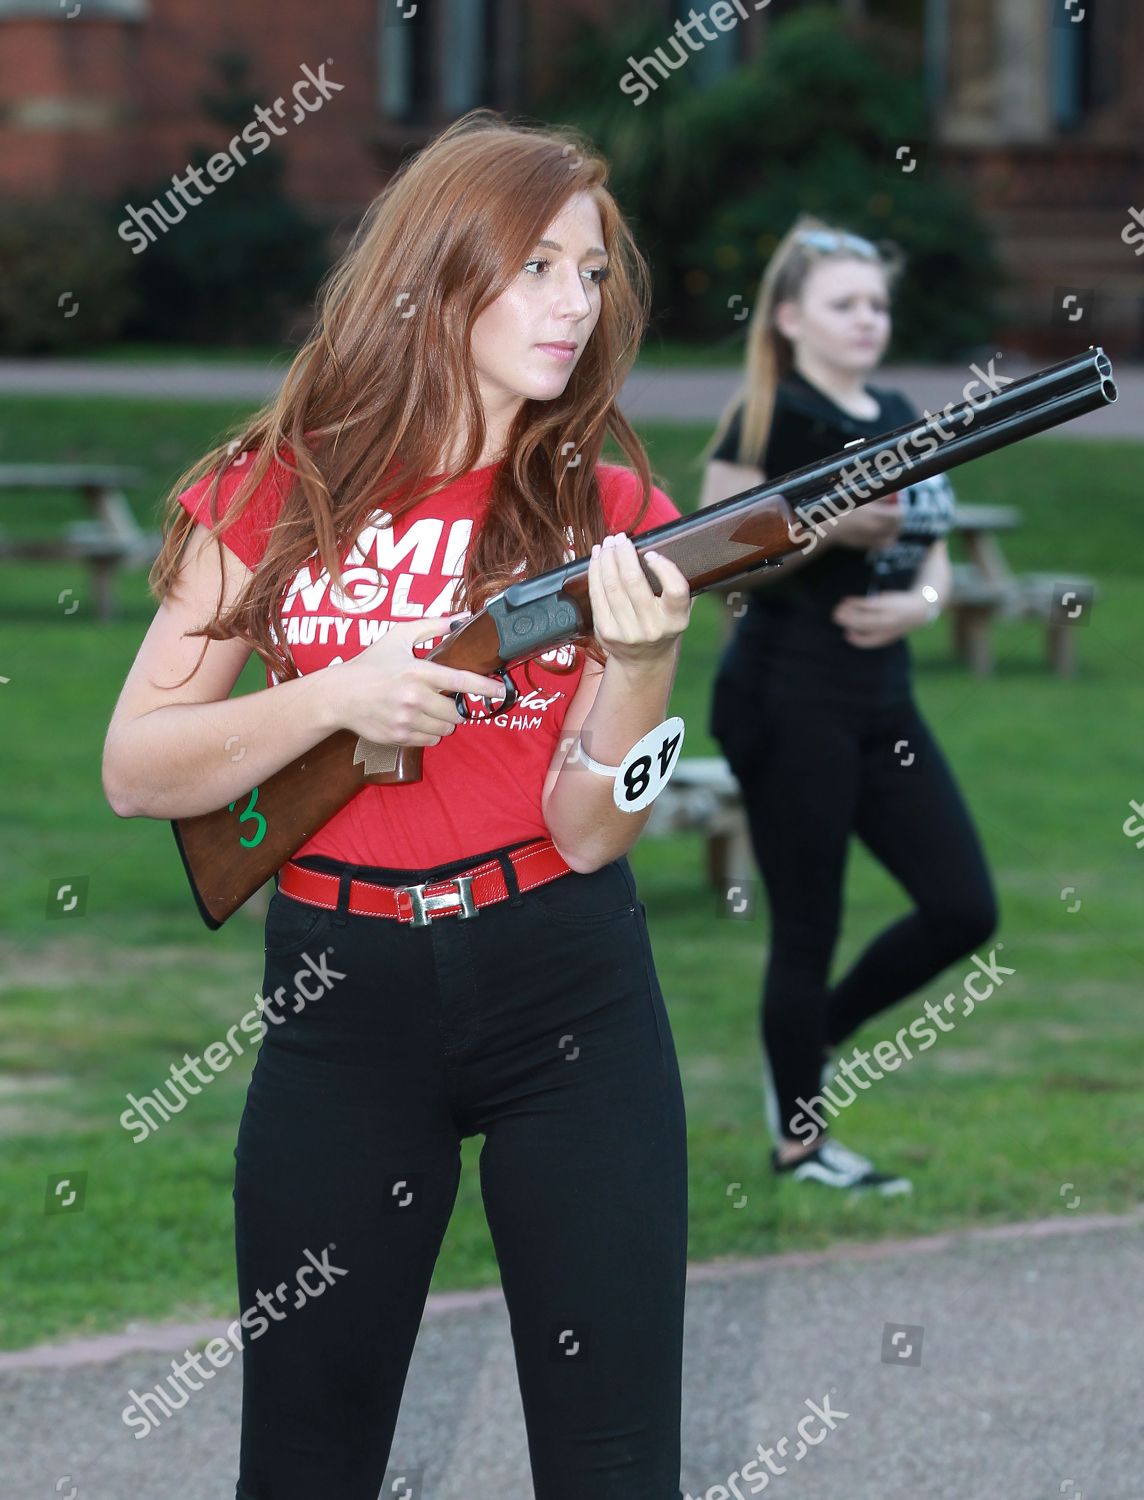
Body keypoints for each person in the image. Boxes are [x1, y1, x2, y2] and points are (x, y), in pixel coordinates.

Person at [102, 110, 694, 1500]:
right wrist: (331, 698)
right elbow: (139, 768)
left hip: (570, 989)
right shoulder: (276, 489)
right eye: (537, 266)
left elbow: (599, 830)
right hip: (337, 1000)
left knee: (616, 1468)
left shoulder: (608, 501)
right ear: (436, 270)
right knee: (306, 1460)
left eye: (592, 272)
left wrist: (650, 660)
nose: (573, 303)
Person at [698, 215, 998, 1195]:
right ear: (789, 317)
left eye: (875, 303)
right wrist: (823, 525)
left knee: (963, 907)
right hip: (786, 698)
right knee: (806, 925)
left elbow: (937, 546)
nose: (867, 319)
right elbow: (709, 561)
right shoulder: (762, 416)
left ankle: (814, 1033)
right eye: (843, 304)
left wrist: (921, 601)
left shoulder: (901, 408)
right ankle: (799, 1141)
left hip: (884, 700)